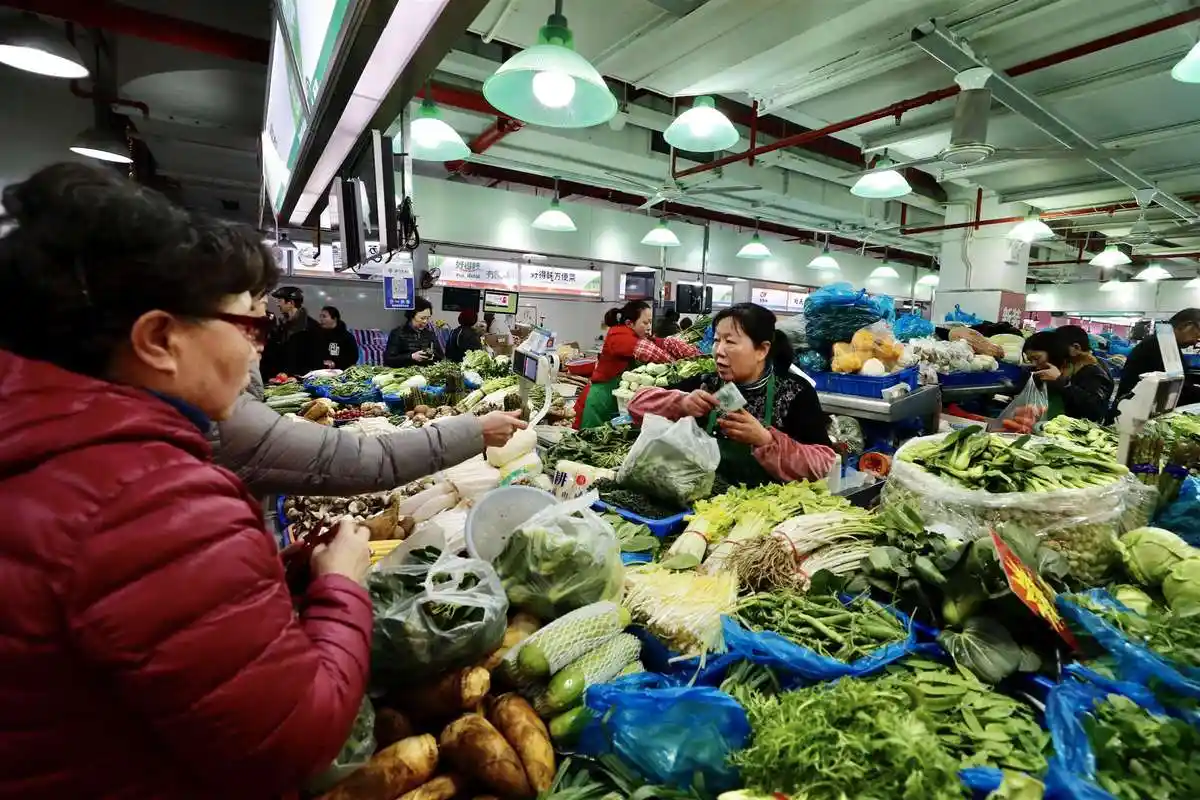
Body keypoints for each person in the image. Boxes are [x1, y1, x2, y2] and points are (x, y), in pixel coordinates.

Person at [0, 162, 372, 797]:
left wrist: (259, 574)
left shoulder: (55, 448)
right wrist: (342, 585)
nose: (259, 349)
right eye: (249, 326)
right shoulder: (145, 498)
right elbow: (295, 739)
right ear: (159, 338)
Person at [628, 303, 837, 486]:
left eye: (730, 342)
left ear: (762, 350)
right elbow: (636, 406)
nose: (719, 350)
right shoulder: (706, 384)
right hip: (701, 505)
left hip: (760, 513)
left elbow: (823, 462)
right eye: (717, 340)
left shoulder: (794, 392)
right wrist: (681, 403)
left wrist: (766, 440)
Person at [577, 300, 701, 428]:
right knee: (592, 436)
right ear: (629, 323)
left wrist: (677, 347)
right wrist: (676, 365)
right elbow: (648, 351)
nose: (648, 326)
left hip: (619, 401)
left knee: (613, 431)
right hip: (601, 401)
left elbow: (658, 343)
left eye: (650, 322)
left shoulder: (638, 336)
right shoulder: (618, 334)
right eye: (645, 322)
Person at [1020, 328, 1112, 423]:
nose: (1034, 364)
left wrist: (1061, 382)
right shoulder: (1045, 371)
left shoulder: (1091, 372)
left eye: (1036, 358)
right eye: (1030, 360)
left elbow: (1095, 410)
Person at [1115, 309, 1200, 407]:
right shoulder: (1159, 345)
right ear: (1185, 325)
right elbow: (1174, 389)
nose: (1194, 342)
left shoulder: (1166, 342)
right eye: (1197, 336)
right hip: (1131, 413)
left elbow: (1179, 382)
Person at [261, 284, 321, 377]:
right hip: (282, 379)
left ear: (291, 303)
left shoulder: (311, 328)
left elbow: (315, 360)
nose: (277, 304)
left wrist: (299, 377)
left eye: (280, 301)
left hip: (300, 382)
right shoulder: (283, 326)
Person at [385, 296, 443, 366]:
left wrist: (433, 356)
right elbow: (388, 360)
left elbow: (441, 357)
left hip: (425, 373)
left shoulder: (430, 334)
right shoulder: (397, 333)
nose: (425, 321)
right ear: (411, 316)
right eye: (422, 318)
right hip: (405, 374)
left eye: (428, 318)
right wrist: (411, 357)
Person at [310, 305, 360, 370]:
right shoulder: (318, 335)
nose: (321, 319)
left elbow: (353, 358)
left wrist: (335, 363)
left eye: (324, 317)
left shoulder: (347, 337)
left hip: (340, 371)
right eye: (320, 316)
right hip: (320, 371)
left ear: (334, 319)